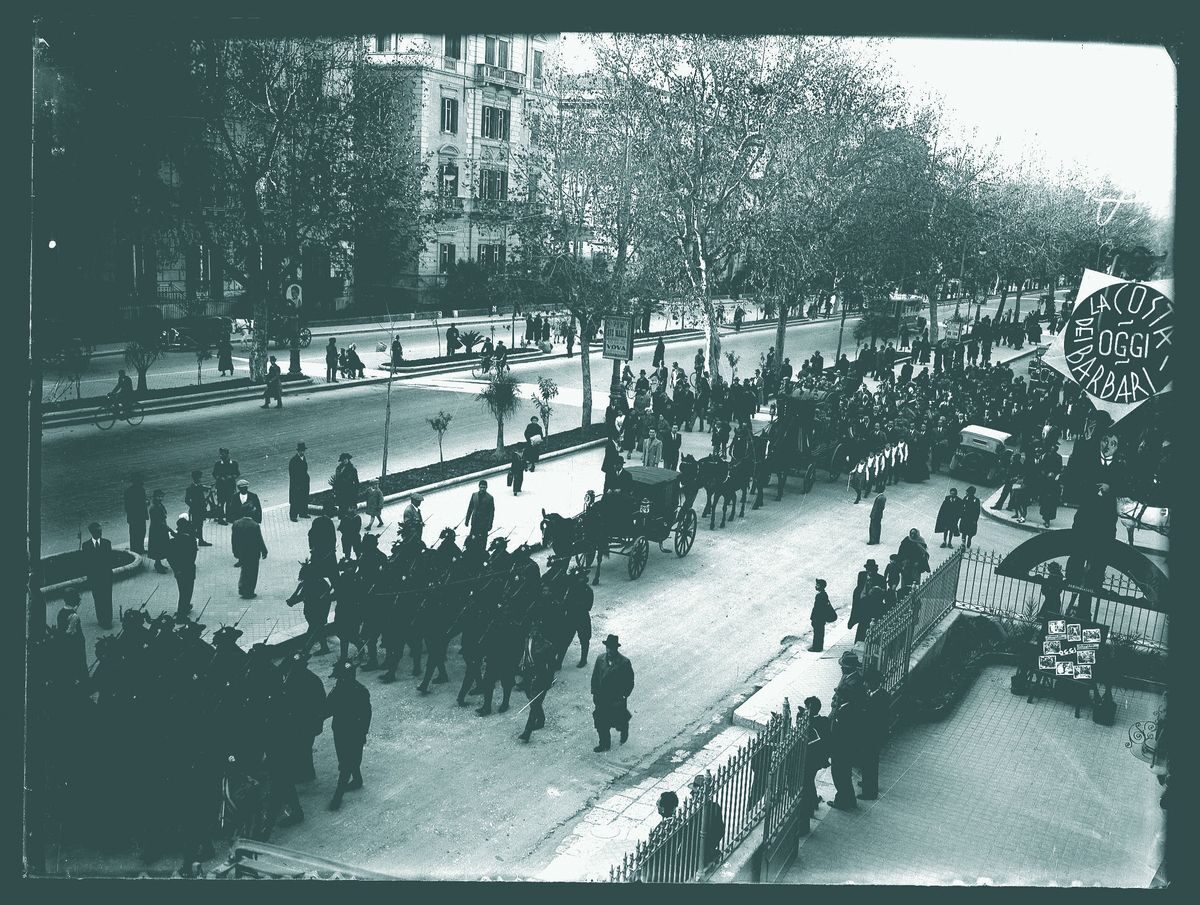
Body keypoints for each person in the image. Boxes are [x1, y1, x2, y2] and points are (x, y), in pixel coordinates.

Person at [327, 658, 371, 812]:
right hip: (340, 730)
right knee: (347, 759)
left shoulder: (360, 692)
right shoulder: (338, 690)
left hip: (354, 732)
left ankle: (338, 796)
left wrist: (363, 732)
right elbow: (328, 709)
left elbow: (366, 715)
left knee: (346, 764)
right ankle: (357, 779)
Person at [828, 650, 864, 810]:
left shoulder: (847, 711)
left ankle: (844, 801)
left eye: (843, 666)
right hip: (844, 744)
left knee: (840, 773)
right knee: (843, 773)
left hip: (843, 746)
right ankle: (846, 799)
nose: (841, 668)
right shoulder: (849, 679)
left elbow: (843, 731)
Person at [590, 634, 635, 752]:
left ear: (616, 648)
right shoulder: (600, 659)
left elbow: (629, 681)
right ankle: (604, 744)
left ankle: (624, 727)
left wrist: (624, 695)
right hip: (601, 697)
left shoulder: (624, 662)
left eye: (612, 648)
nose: (609, 650)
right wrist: (594, 692)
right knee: (600, 721)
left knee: (617, 720)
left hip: (616, 698)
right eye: (608, 647)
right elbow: (595, 677)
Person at [518, 626, 557, 743]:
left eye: (535, 631)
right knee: (532, 700)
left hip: (541, 677)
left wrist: (549, 681)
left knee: (534, 702)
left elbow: (552, 665)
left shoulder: (547, 646)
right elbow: (525, 654)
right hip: (527, 675)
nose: (533, 633)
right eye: (531, 630)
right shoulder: (527, 639)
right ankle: (541, 719)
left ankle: (527, 731)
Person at [859, 668, 890, 800]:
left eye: (866, 682)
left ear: (872, 683)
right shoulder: (875, 694)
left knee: (870, 762)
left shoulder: (879, 698)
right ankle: (868, 782)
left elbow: (874, 719)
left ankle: (870, 791)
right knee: (867, 762)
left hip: (872, 736)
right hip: (871, 735)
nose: (864, 684)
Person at [81, 522, 114, 629]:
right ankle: (101, 619)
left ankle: (108, 619)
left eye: (100, 531)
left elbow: (110, 561)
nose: (100, 533)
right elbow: (86, 564)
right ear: (92, 533)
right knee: (98, 599)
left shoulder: (107, 543)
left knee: (107, 598)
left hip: (106, 577)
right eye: (97, 532)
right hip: (94, 579)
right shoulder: (86, 546)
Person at [690, 773, 725, 867]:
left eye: (693, 792)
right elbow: (721, 831)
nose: (691, 795)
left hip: (695, 853)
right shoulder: (715, 807)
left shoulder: (695, 813)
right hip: (709, 848)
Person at [168, 516, 199, 617]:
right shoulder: (192, 541)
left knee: (182, 590)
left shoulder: (173, 542)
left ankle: (184, 607)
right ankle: (182, 611)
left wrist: (176, 569)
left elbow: (170, 557)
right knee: (188, 590)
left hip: (179, 571)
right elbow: (193, 557)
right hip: (189, 569)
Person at [231, 514, 268, 598]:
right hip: (253, 552)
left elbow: (233, 539)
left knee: (244, 569)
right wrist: (264, 550)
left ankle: (242, 588)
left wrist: (235, 551)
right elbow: (259, 539)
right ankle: (249, 591)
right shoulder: (254, 525)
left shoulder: (236, 523)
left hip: (241, 551)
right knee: (252, 572)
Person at [184, 471, 213, 546]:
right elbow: (187, 500)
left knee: (199, 525)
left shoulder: (198, 486)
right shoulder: (191, 488)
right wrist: (194, 506)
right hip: (196, 510)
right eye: (199, 478)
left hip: (200, 509)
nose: (200, 479)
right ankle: (196, 541)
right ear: (196, 478)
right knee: (195, 526)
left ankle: (199, 540)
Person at [213, 448, 240, 525]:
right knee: (221, 503)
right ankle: (220, 519)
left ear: (227, 454)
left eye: (222, 454)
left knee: (229, 502)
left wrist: (231, 477)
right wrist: (220, 478)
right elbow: (214, 474)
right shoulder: (218, 464)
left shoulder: (234, 463)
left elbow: (237, 473)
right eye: (220, 454)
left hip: (230, 486)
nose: (220, 456)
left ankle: (229, 517)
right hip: (221, 487)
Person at [809, 578, 837, 652]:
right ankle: (819, 647)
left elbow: (817, 609)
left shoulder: (819, 596)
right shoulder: (824, 594)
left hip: (818, 618)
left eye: (817, 585)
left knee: (817, 633)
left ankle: (816, 647)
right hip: (821, 618)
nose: (816, 586)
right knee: (820, 633)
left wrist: (813, 618)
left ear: (821, 586)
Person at [147, 489, 171, 573]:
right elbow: (159, 521)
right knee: (158, 547)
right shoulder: (154, 507)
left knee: (160, 547)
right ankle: (158, 565)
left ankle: (158, 564)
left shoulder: (158, 505)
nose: (161, 498)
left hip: (159, 529)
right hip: (157, 530)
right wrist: (169, 529)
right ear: (155, 497)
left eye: (161, 497)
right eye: (159, 497)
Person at [465, 480, 495, 544]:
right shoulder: (474, 495)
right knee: (472, 540)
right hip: (474, 522)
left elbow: (491, 513)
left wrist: (490, 524)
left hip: (484, 524)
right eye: (481, 487)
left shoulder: (490, 498)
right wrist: (467, 520)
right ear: (479, 487)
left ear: (486, 487)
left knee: (482, 542)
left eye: (484, 487)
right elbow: (470, 508)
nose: (482, 489)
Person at [124, 475, 148, 555]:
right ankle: (139, 548)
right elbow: (143, 503)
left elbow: (127, 506)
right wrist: (146, 503)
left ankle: (135, 549)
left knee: (134, 533)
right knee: (141, 532)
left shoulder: (128, 491)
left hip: (133, 517)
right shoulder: (141, 490)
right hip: (140, 516)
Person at [288, 442, 310, 522]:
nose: (302, 452)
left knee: (304, 498)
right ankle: (293, 516)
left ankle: (303, 513)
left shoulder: (303, 458)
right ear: (298, 451)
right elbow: (292, 474)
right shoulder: (293, 460)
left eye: (303, 450)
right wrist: (296, 484)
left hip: (304, 483)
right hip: (296, 484)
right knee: (295, 500)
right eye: (301, 451)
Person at [332, 453, 359, 517]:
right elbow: (336, 480)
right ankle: (342, 519)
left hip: (349, 491)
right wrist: (334, 490)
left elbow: (356, 481)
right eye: (343, 460)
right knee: (341, 507)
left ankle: (348, 519)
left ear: (348, 459)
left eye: (345, 459)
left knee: (348, 507)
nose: (344, 461)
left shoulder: (352, 469)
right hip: (340, 491)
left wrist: (356, 492)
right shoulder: (338, 468)